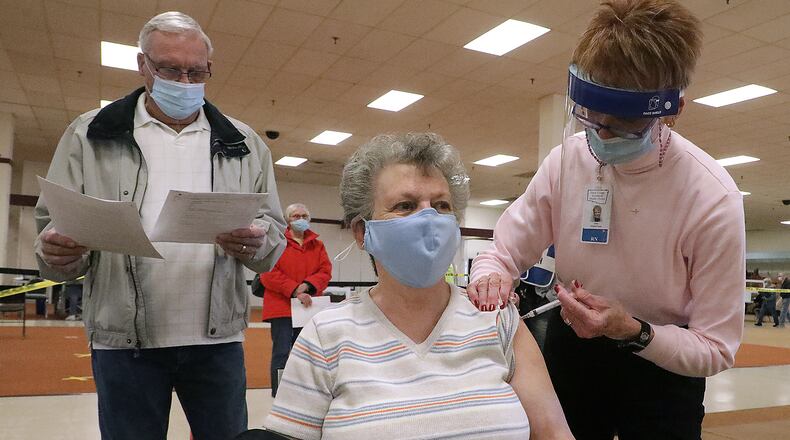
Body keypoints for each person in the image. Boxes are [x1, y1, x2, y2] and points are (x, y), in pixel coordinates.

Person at [468, 1, 745, 439]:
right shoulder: (567, 161)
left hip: (662, 365)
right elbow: (500, 254)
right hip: (572, 351)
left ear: (671, 110)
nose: (602, 134)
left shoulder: (711, 197)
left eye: (622, 124)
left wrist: (631, 331)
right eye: (590, 117)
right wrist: (490, 279)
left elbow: (716, 348)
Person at [33, 11, 286, 440]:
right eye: (171, 69)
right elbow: (52, 229)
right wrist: (57, 252)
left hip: (216, 341)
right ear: (143, 65)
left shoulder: (243, 144)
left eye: (197, 71)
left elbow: (273, 233)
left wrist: (256, 245)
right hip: (123, 342)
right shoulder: (90, 134)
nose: (185, 83)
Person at [264, 133, 573, 439]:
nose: (428, 218)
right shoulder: (326, 334)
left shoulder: (497, 319)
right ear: (362, 232)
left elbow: (553, 433)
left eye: (441, 205)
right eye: (405, 205)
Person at [260, 203, 332, 397]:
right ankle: (280, 393)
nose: (300, 219)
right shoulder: (276, 242)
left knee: (309, 353)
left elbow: (325, 271)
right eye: (295, 216)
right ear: (288, 220)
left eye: (304, 216)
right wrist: (294, 290)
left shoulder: (318, 245)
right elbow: (268, 272)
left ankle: (306, 393)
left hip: (308, 308)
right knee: (282, 353)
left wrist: (307, 286)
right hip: (281, 308)